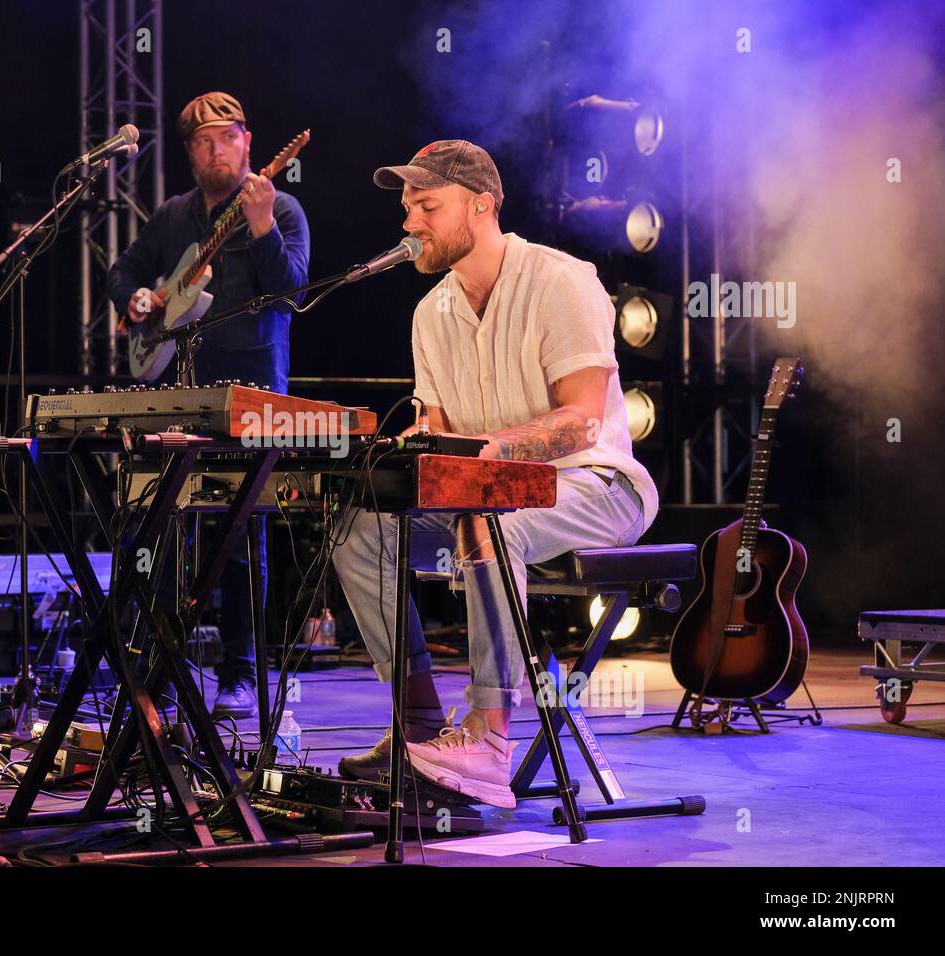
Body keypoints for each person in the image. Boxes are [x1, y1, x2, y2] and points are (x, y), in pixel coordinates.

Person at [331, 140, 658, 807]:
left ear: (481, 206)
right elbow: (441, 437)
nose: (409, 223)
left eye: (426, 206)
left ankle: (488, 737)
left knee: (488, 519)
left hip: (598, 484)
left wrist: (486, 450)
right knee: (357, 532)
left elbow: (584, 421)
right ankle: (419, 728)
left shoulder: (562, 279)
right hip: (485, 497)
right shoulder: (431, 315)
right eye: (406, 208)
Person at [107, 92, 311, 717]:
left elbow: (293, 290)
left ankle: (240, 674)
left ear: (249, 142)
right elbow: (124, 269)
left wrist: (261, 228)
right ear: (190, 152)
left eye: (226, 137)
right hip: (177, 391)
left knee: (241, 533)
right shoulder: (172, 216)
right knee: (163, 526)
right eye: (201, 141)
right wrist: (138, 298)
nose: (214, 149)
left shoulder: (280, 207)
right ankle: (162, 668)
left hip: (251, 393)